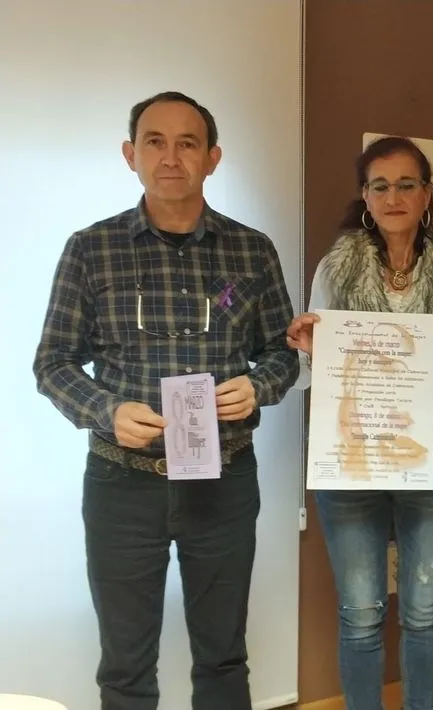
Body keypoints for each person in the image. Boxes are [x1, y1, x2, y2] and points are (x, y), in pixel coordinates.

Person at [32, 91, 300, 710]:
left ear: (213, 158)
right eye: (155, 141)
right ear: (131, 155)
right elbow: (52, 363)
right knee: (125, 666)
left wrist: (257, 386)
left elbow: (285, 354)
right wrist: (106, 411)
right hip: (123, 484)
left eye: (188, 143)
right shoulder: (90, 249)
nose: (171, 156)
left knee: (223, 656)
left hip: (225, 482)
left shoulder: (252, 250)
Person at [285, 136, 433, 710]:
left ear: (427, 193)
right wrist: (311, 351)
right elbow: (316, 369)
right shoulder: (337, 267)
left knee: (423, 611)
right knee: (362, 612)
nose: (393, 196)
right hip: (352, 459)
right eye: (380, 185)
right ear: (364, 196)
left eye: (406, 184)